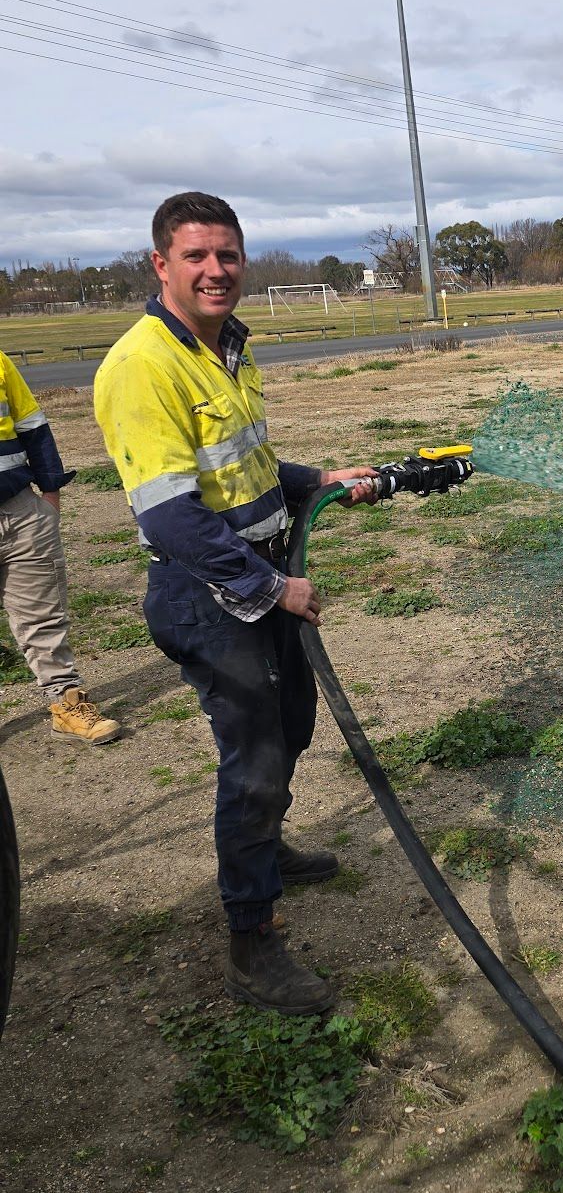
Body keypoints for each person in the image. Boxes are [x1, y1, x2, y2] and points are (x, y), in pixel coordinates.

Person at [94, 191, 378, 1015]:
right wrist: (272, 587)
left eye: (228, 255)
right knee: (253, 762)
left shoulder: (227, 349)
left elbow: (242, 469)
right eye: (196, 256)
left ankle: (268, 850)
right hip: (208, 594)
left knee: (291, 726)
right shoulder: (141, 365)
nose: (216, 270)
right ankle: (252, 944)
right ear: (161, 265)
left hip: (259, 574)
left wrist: (316, 480)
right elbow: (174, 514)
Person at [0, 351, 121, 744]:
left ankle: (66, 704)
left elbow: (32, 425)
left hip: (19, 511)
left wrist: (49, 491)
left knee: (44, 618)